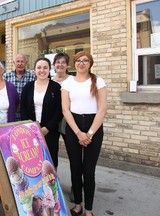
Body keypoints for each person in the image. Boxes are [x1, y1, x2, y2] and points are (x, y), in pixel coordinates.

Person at [61, 51, 107, 216]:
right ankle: (78, 205)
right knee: (75, 168)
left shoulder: (98, 81)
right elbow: (65, 110)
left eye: (85, 60)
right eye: (78, 61)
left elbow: (102, 110)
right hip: (74, 127)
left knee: (88, 170)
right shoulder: (67, 83)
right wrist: (79, 133)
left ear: (90, 63)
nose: (81, 63)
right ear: (74, 63)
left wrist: (90, 133)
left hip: (93, 126)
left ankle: (89, 209)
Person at [20, 57, 62, 169]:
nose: (42, 70)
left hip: (50, 131)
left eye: (45, 68)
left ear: (50, 70)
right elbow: (23, 108)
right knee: (34, 159)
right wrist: (30, 126)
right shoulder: (27, 87)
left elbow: (59, 111)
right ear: (34, 70)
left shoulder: (56, 87)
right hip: (30, 131)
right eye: (39, 67)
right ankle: (37, 185)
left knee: (50, 159)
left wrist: (46, 128)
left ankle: (52, 183)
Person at [51, 52, 74, 201]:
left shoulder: (72, 80)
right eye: (57, 62)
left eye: (63, 62)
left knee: (73, 155)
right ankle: (54, 184)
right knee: (52, 154)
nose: (60, 65)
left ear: (67, 65)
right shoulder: (49, 80)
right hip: (52, 121)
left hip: (68, 121)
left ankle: (75, 186)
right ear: (54, 65)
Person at [3, 54, 35, 120]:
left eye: (22, 61)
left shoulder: (32, 77)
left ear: (26, 63)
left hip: (27, 114)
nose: (20, 63)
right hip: (10, 113)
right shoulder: (6, 76)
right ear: (13, 63)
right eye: (18, 61)